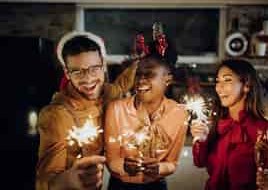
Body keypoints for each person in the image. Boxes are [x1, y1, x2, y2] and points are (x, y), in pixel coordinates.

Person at [36, 31, 138, 190]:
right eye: (77, 71)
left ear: (103, 66)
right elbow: (44, 181)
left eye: (94, 68)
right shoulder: (56, 115)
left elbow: (121, 84)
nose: (88, 79)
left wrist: (140, 63)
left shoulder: (107, 93)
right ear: (67, 73)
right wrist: (69, 180)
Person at [191, 59, 268, 190]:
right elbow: (199, 162)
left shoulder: (267, 130)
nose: (219, 87)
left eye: (227, 80)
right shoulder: (216, 124)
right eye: (217, 81)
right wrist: (200, 139)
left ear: (246, 85)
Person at [104, 55, 188, 190]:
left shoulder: (179, 113)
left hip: (157, 186)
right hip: (120, 185)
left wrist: (159, 168)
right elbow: (111, 159)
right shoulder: (116, 109)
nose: (141, 79)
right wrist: (124, 166)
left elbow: (172, 163)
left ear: (168, 79)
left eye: (149, 74)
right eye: (138, 74)